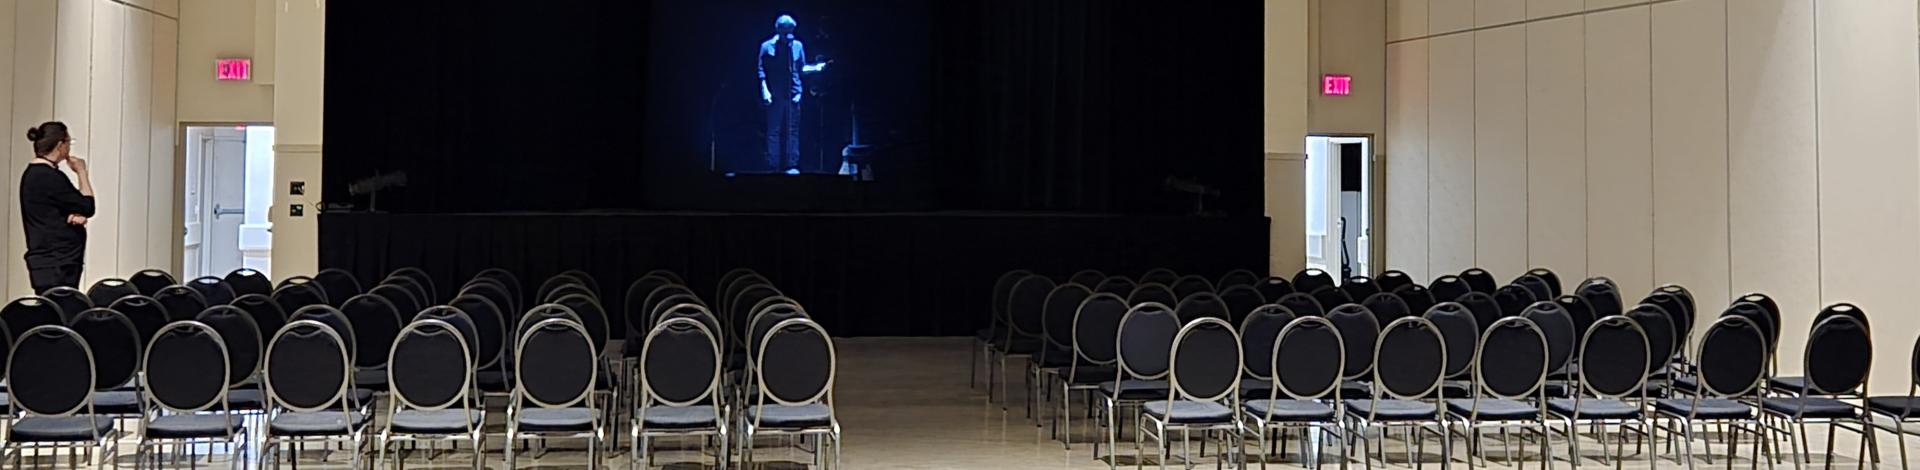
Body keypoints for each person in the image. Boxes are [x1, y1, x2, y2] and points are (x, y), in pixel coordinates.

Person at [20, 122, 94, 293]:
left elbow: (54, 208)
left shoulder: (32, 174)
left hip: (47, 262)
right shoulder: (49, 176)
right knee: (62, 311)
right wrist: (82, 171)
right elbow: (88, 205)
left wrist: (74, 214)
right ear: (60, 145)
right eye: (68, 142)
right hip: (58, 263)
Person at [758, 14, 828, 175]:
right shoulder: (766, 46)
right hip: (775, 94)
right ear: (779, 29)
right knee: (774, 130)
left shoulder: (797, 46)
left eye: (791, 29)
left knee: (792, 130)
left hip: (794, 93)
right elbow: (761, 70)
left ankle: (791, 164)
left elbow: (801, 67)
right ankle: (773, 165)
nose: (789, 33)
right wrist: (765, 90)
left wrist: (816, 68)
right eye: (786, 29)